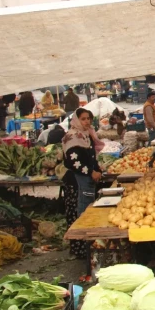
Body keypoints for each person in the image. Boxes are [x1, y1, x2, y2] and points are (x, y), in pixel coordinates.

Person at [61, 108, 104, 259]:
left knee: (87, 211)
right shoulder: (72, 137)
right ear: (76, 120)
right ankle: (79, 249)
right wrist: (91, 172)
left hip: (86, 179)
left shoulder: (87, 135)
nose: (87, 121)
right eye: (83, 119)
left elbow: (91, 158)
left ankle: (87, 247)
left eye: (89, 119)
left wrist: (98, 169)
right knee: (79, 214)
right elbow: (74, 162)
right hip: (76, 181)